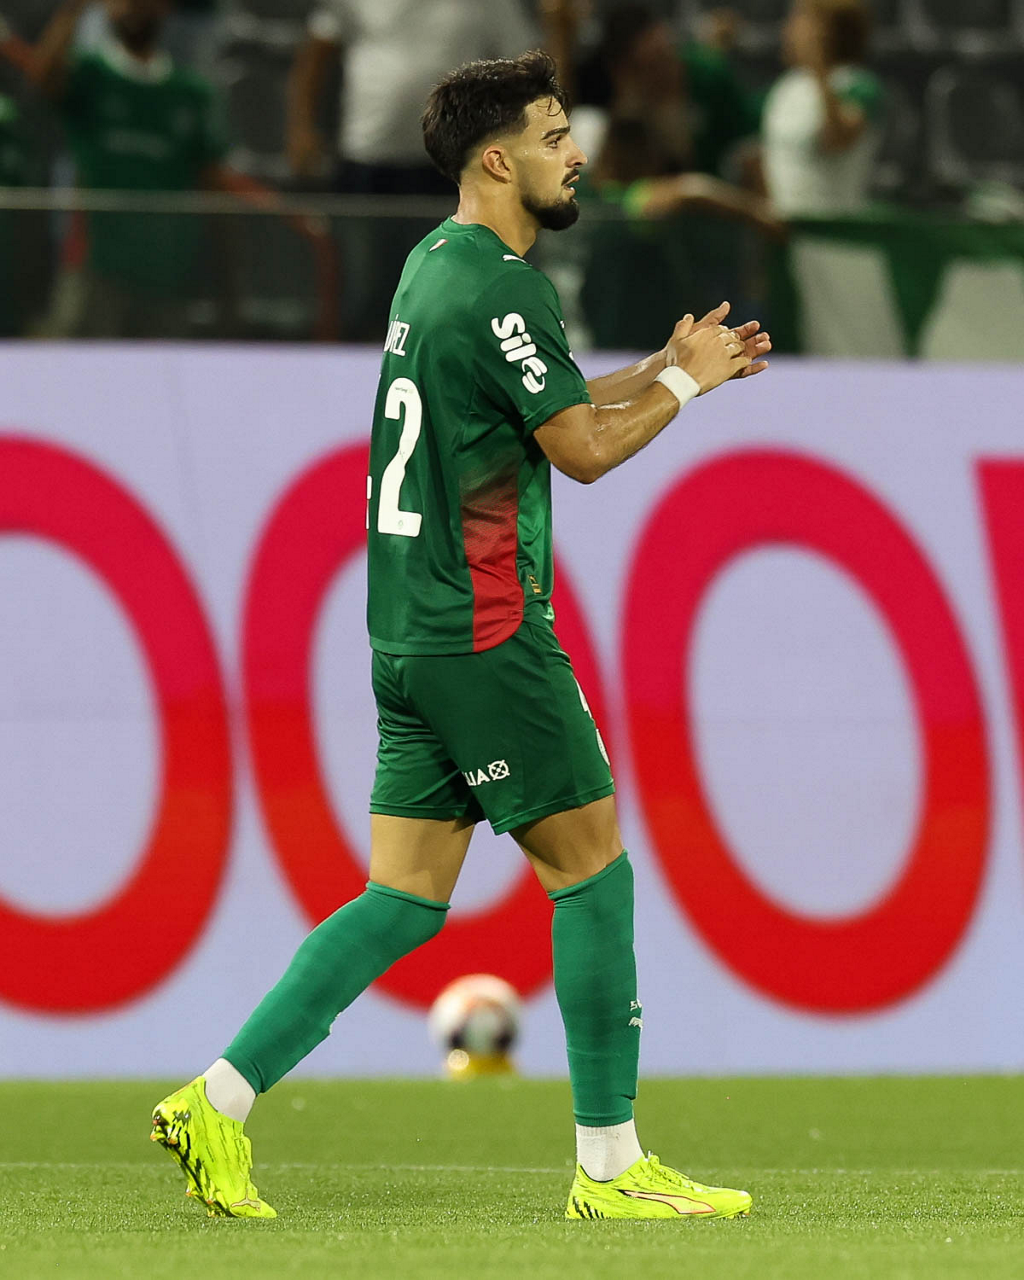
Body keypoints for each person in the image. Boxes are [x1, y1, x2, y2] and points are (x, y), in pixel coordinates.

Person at [150, 49, 771, 1224]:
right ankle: (610, 1164)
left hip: (409, 633)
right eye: (552, 136)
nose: (575, 153)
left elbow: (541, 402)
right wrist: (684, 393)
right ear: (496, 160)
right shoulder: (506, 288)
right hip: (486, 629)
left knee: (402, 895)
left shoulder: (437, 263)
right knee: (592, 871)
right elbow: (580, 451)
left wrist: (664, 366)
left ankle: (213, 1102)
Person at [25, 0, 333, 338]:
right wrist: (71, 11)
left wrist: (228, 287)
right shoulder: (91, 75)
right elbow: (43, 81)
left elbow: (213, 187)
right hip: (96, 268)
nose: (135, 9)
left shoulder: (189, 94)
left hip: (168, 275)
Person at [761, 0, 883, 216]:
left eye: (800, 19)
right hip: (785, 225)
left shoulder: (858, 85)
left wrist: (819, 66)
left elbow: (837, 140)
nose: (789, 29)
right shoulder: (787, 86)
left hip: (836, 227)